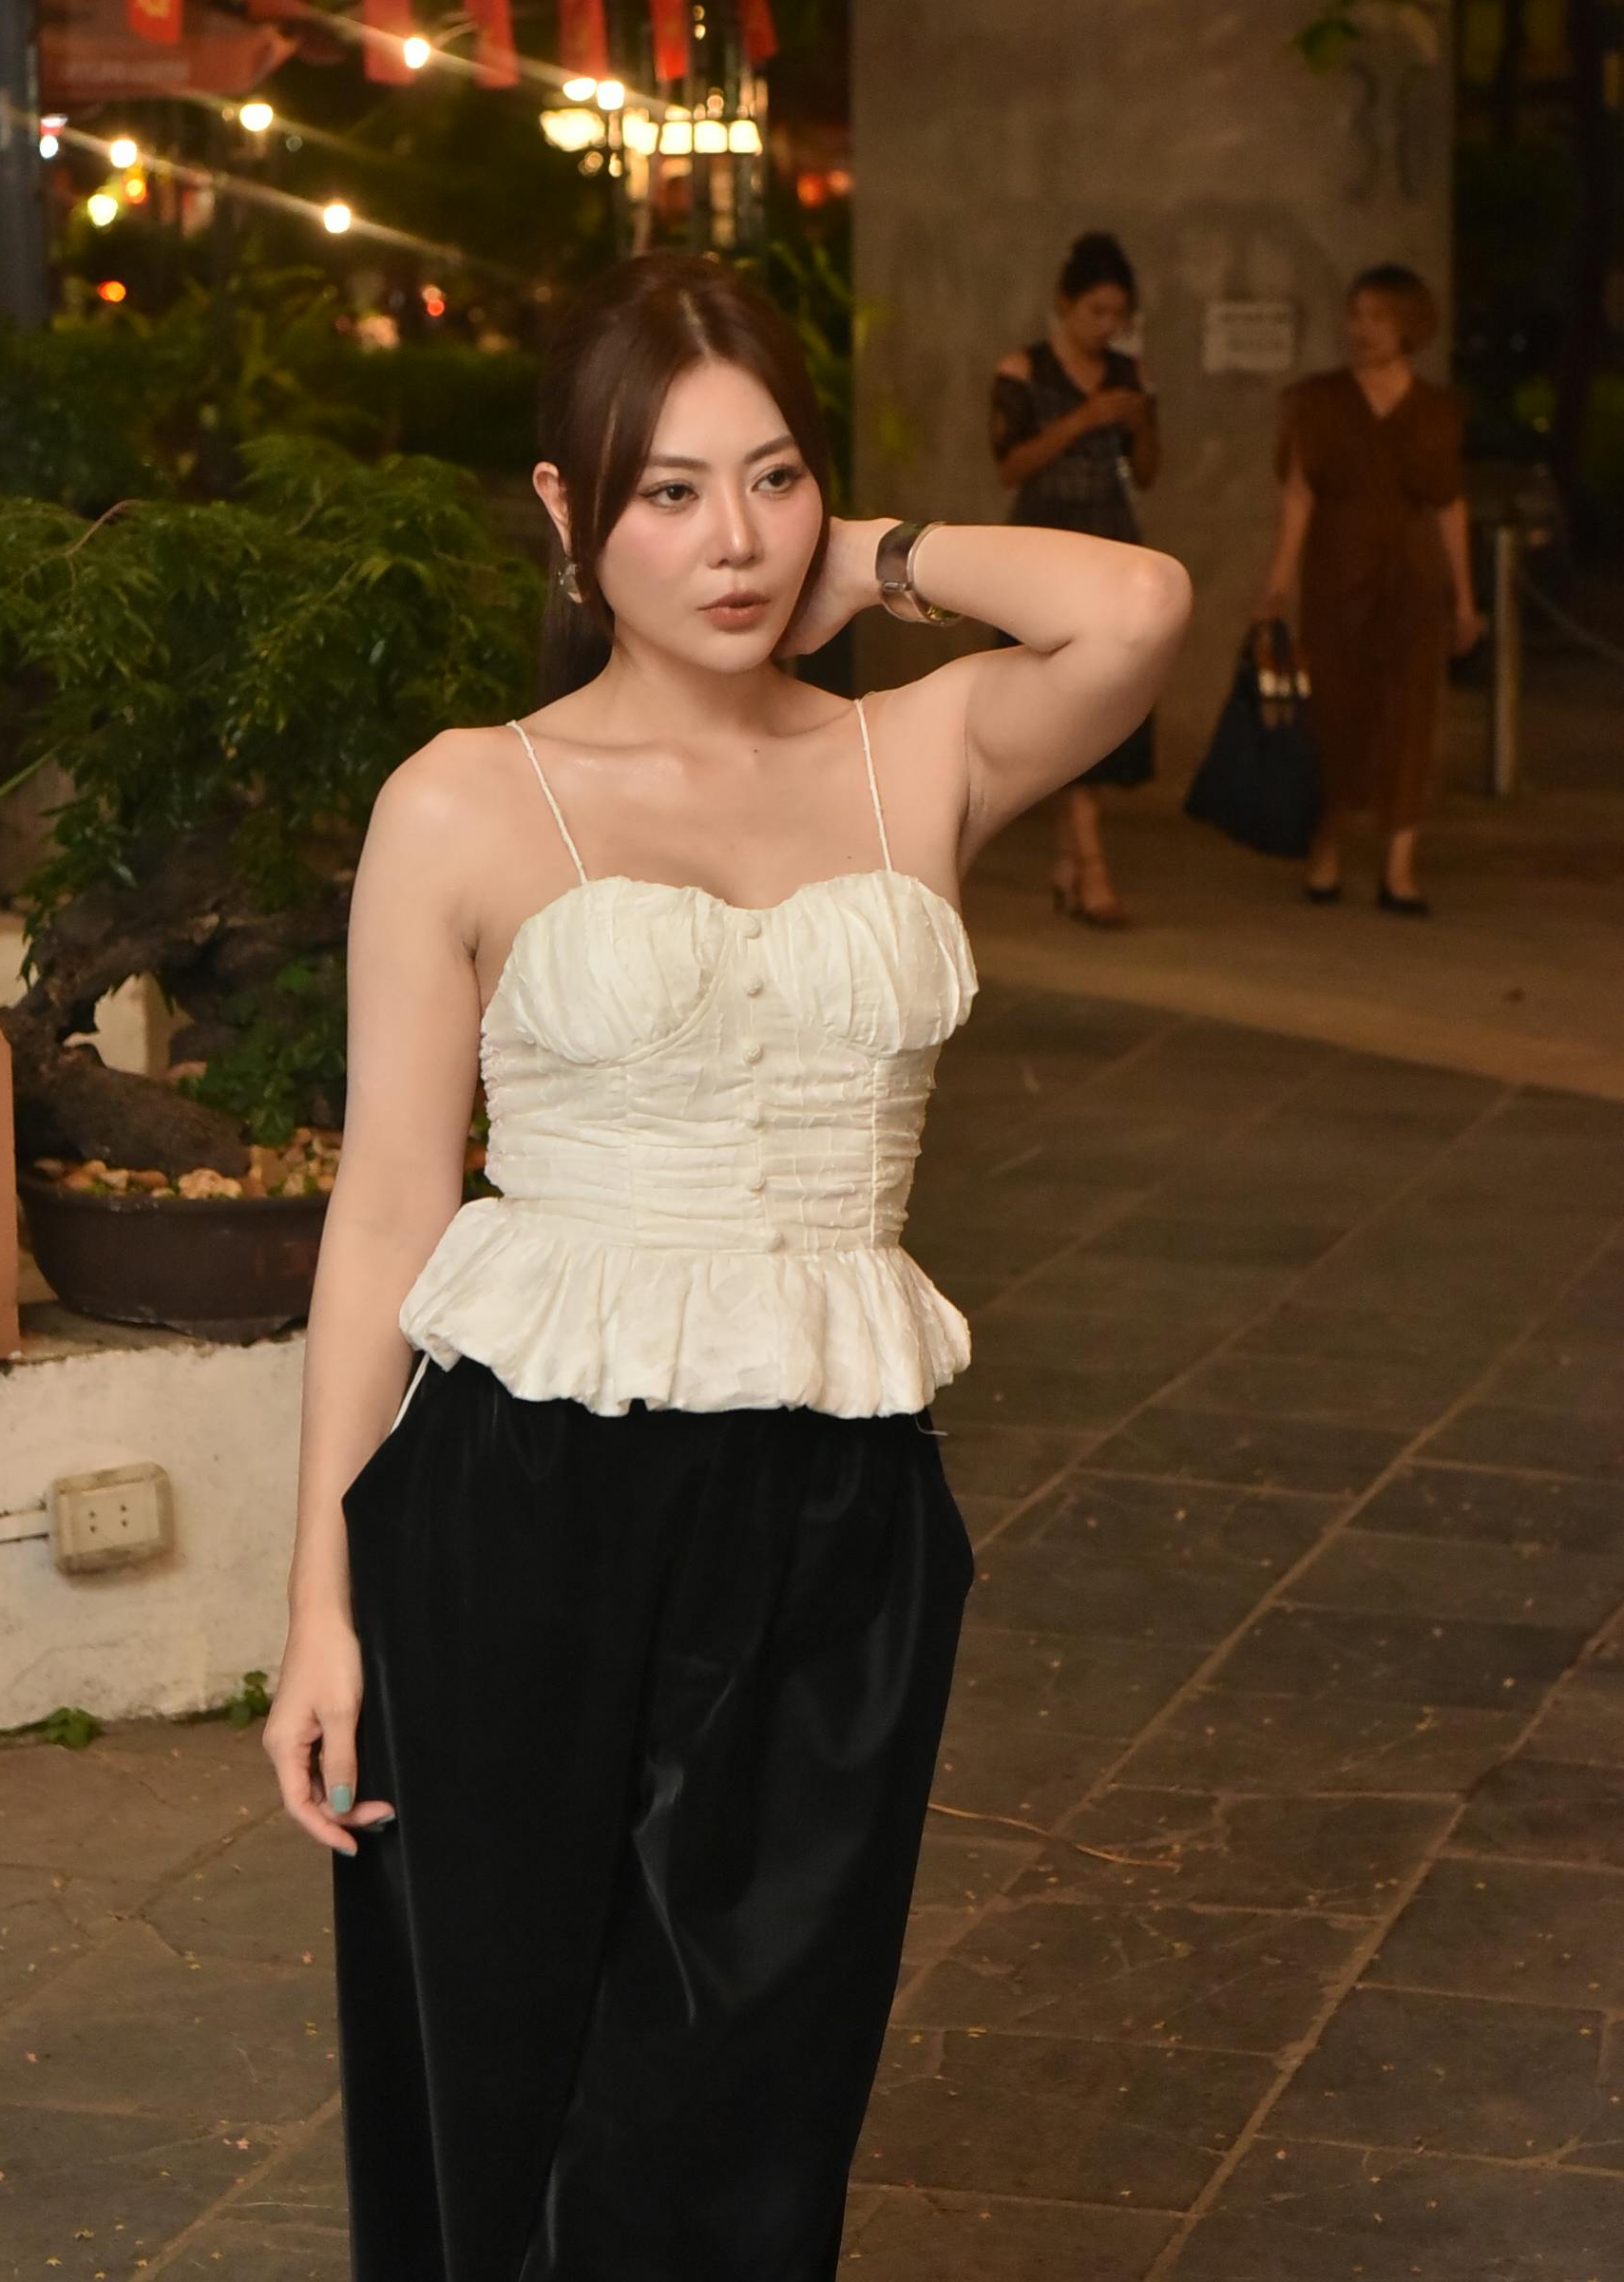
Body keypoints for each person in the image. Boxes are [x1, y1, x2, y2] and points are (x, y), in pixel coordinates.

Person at [263, 250, 1189, 2282]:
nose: (729, 539)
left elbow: (1133, 604)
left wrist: (870, 556)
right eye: (663, 491)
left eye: (768, 480)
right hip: (516, 1497)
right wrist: (322, 1604)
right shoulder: (467, 799)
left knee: (755, 2097)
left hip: (833, 1505)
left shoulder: (910, 751)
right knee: (492, 2071)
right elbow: (390, 1217)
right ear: (563, 509)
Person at [1257, 262, 1482, 915]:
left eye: (1379, 316)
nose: (1363, 329)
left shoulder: (1435, 409)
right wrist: (1278, 577)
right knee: (1335, 710)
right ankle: (1324, 848)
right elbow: (1297, 498)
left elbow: (1448, 504)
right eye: (1357, 314)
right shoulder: (1319, 401)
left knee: (1411, 713)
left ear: (1409, 324)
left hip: (1411, 577)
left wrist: (1465, 596)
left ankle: (1400, 865)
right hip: (1338, 570)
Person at [990, 229, 1162, 927]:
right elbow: (1009, 465)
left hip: (1113, 540)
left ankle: (1068, 862)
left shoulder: (1128, 372)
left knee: (1104, 704)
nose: (1106, 326)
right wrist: (1086, 418)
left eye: (1116, 313)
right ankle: (1091, 869)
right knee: (1063, 700)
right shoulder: (1022, 371)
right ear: (1064, 303)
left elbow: (1148, 472)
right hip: (1042, 546)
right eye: (1095, 310)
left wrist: (1140, 418)